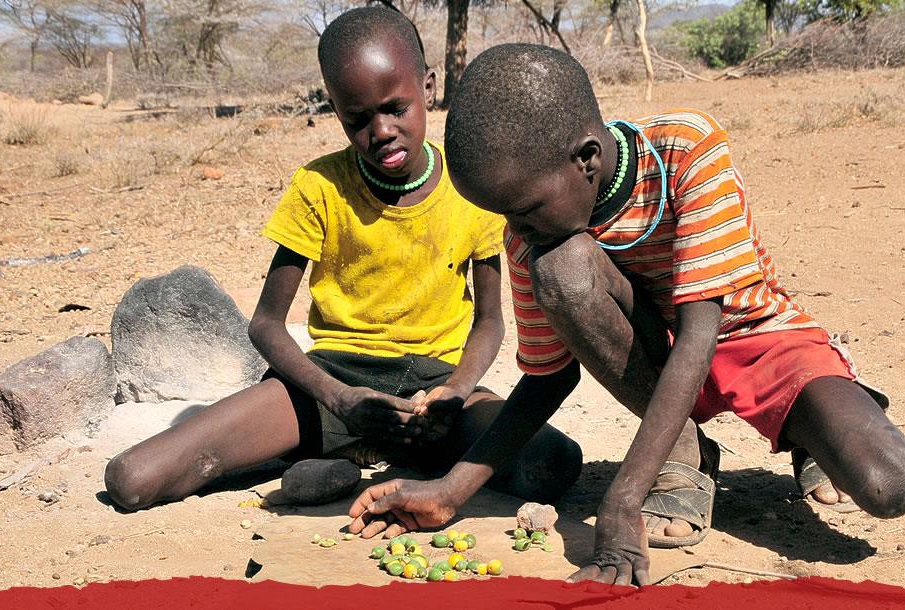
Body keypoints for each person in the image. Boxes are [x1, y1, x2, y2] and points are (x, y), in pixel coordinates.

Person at [346, 43, 905, 586]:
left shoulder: (686, 149)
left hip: (755, 338)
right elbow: (548, 377)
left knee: (889, 486)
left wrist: (622, 500)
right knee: (561, 267)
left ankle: (810, 427)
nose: (515, 231)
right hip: (658, 359)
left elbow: (701, 335)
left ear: (587, 160)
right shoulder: (532, 237)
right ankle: (685, 451)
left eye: (524, 210)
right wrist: (450, 492)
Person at [104, 14, 581, 513]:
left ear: (429, 87)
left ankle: (361, 450)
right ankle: (337, 443)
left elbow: (489, 321)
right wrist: (337, 399)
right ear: (336, 111)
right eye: (358, 119)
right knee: (132, 479)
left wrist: (456, 391)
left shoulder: (468, 189)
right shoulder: (320, 188)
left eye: (396, 108)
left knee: (551, 462)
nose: (382, 131)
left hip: (434, 393)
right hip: (331, 383)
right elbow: (266, 324)